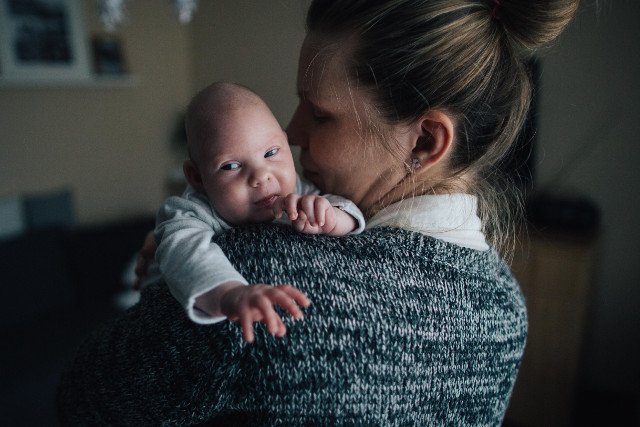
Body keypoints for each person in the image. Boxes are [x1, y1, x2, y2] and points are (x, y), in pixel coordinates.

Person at [57, 0, 579, 425]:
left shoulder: (259, 280)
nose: (291, 132)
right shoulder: (507, 305)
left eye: (320, 114)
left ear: (424, 140)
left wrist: (163, 299)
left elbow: (82, 401)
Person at [153, 82, 364, 342]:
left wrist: (332, 216)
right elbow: (183, 253)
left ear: (287, 145)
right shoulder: (190, 211)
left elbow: (352, 215)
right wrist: (230, 293)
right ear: (197, 177)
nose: (261, 176)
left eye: (271, 153)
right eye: (231, 166)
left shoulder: (298, 190)